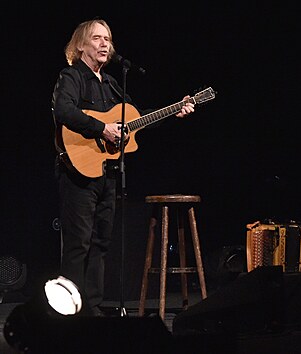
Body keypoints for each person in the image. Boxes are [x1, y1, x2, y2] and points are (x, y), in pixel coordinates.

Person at [51, 18, 195, 316]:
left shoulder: (114, 84)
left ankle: (93, 308)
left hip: (107, 173)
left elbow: (134, 119)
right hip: (77, 172)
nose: (105, 44)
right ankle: (70, 313)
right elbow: (64, 111)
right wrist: (101, 129)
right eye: (97, 38)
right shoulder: (72, 76)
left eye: (108, 38)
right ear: (80, 45)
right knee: (78, 243)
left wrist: (173, 110)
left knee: (101, 242)